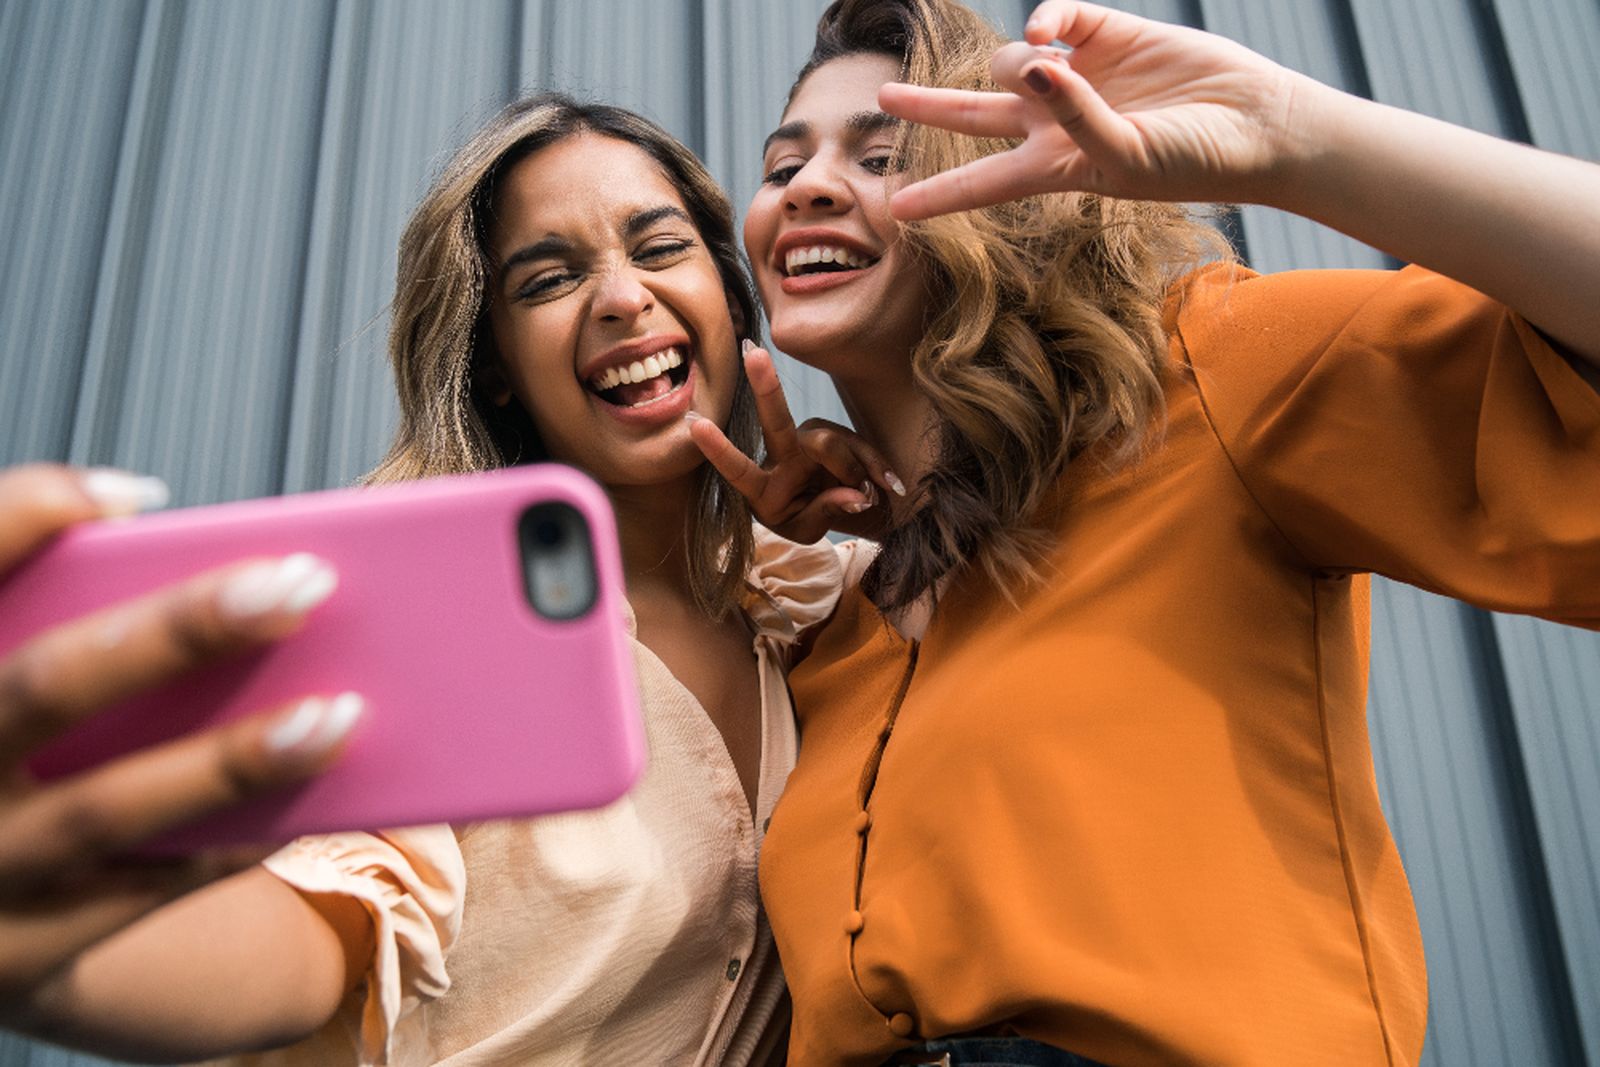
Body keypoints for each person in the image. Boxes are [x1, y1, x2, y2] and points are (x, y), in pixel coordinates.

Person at [690, 1, 1600, 1064]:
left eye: (881, 155)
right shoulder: (834, 637)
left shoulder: (1203, 383)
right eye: (781, 165)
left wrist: (1286, 129)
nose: (805, 185)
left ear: (1012, 197)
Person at [0, 94, 845, 1066]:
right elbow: (315, 931)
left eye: (658, 248)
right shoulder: (433, 635)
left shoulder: (820, 604)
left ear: (729, 298)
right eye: (548, 280)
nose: (621, 297)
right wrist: (56, 959)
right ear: (495, 367)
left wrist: (893, 505)